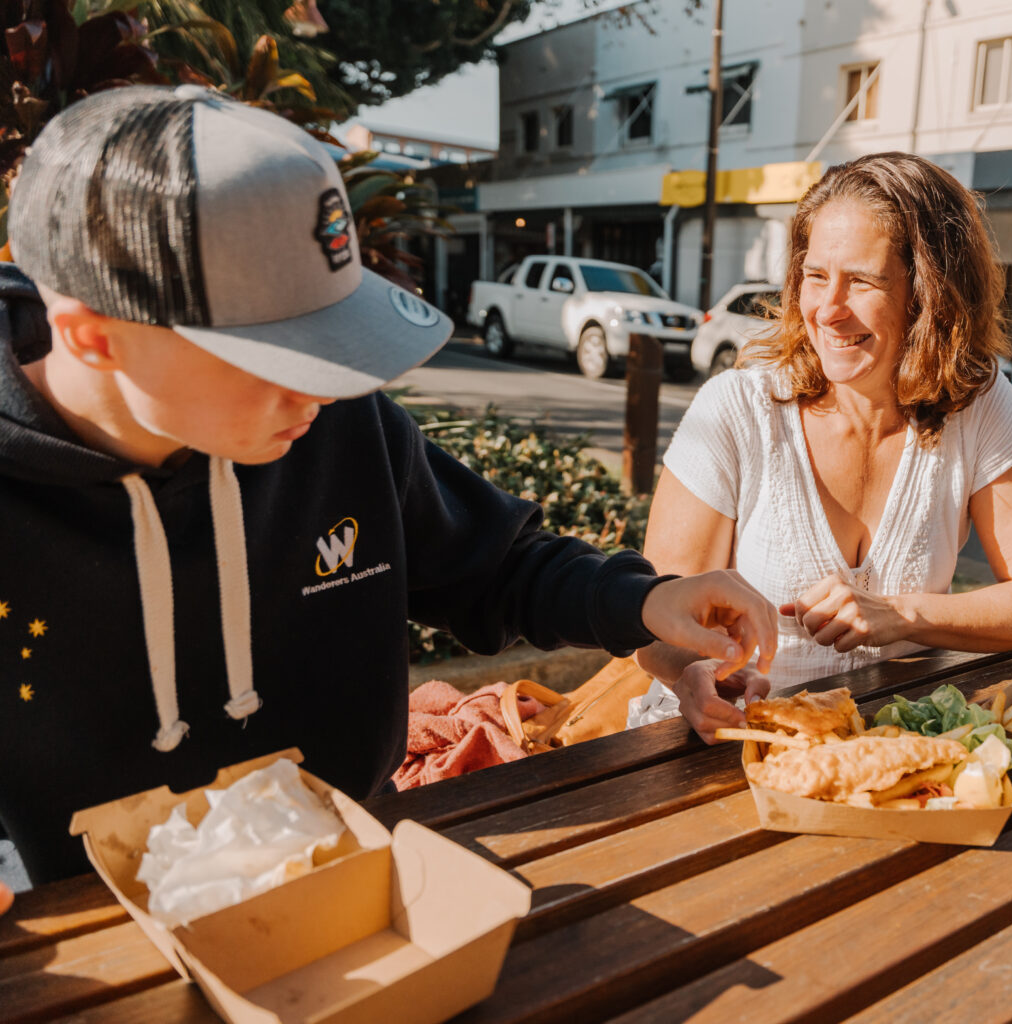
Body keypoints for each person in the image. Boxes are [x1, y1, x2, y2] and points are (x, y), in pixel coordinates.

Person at [0, 85, 775, 895]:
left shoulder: (337, 421)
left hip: (359, 877)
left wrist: (645, 602)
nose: (324, 387)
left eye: (331, 338)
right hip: (81, 923)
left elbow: (494, 567)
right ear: (94, 337)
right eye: (276, 355)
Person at [634, 152, 1012, 740]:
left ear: (930, 295)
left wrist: (902, 614)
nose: (827, 310)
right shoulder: (736, 409)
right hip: (724, 740)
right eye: (816, 276)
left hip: (887, 747)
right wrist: (691, 670)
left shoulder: (977, 405)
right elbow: (654, 618)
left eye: (863, 281)